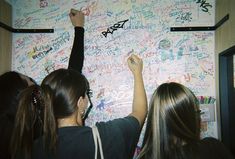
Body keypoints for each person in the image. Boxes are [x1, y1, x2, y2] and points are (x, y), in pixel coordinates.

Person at [10, 54, 147, 159]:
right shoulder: (105, 137)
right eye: (87, 94)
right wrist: (137, 73)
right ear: (80, 102)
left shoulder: (31, 149)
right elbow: (139, 112)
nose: (88, 99)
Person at [0, 9, 85, 159]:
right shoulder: (46, 129)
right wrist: (79, 28)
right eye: (29, 80)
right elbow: (71, 80)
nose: (34, 81)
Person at [138, 82, 234, 159]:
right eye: (197, 112)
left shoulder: (145, 156)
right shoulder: (212, 149)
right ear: (189, 118)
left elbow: (137, 111)